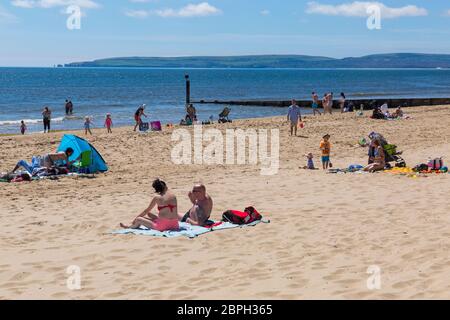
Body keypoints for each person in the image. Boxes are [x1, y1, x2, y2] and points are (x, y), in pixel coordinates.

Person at [11, 148, 77, 174]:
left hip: (48, 158)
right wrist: (76, 160)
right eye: (71, 153)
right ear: (69, 152)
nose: (71, 154)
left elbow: (57, 156)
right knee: (48, 170)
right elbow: (68, 164)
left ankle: (37, 160)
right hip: (48, 158)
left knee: (36, 160)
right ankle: (13, 171)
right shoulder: (64, 155)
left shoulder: (62, 152)